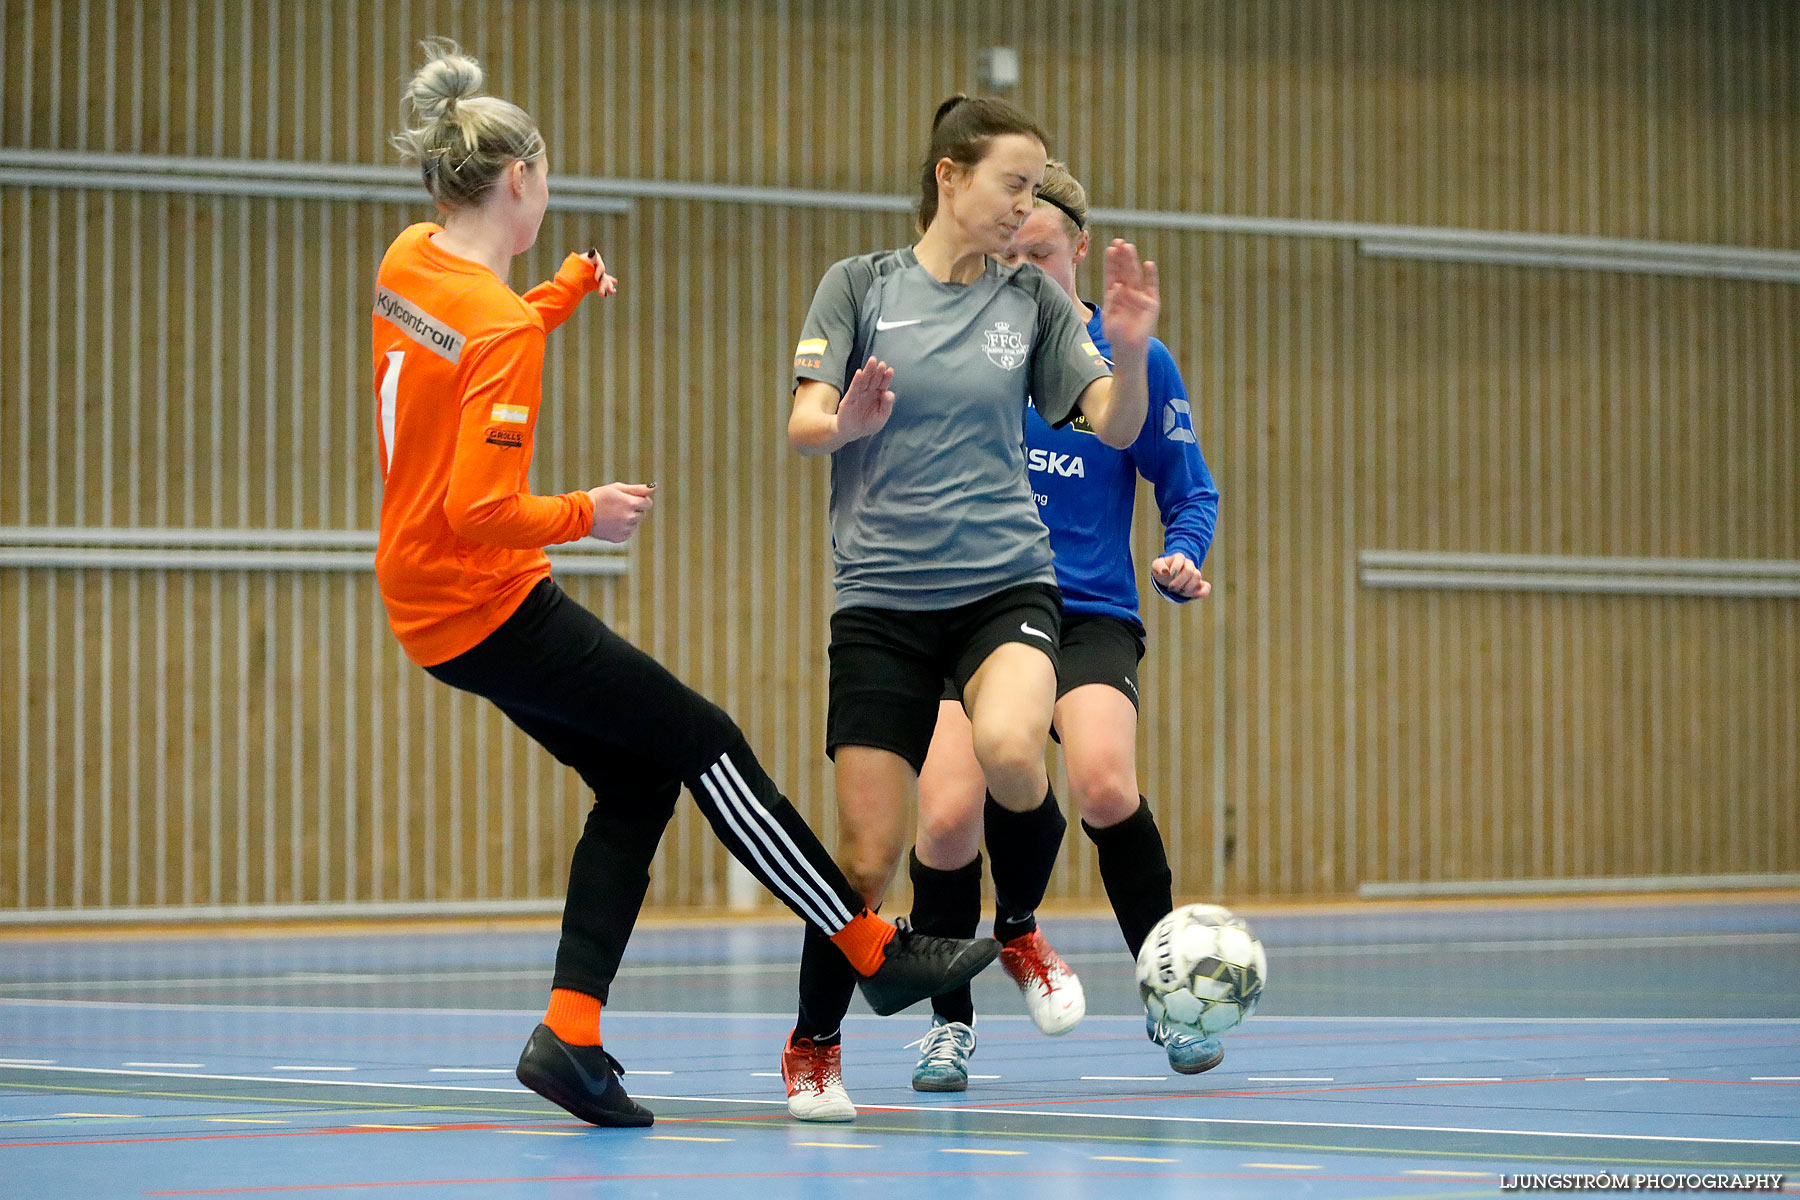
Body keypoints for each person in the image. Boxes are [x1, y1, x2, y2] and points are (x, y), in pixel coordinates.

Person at [372, 39, 998, 1130]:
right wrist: (589, 515)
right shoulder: (502, 327)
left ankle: (570, 1035)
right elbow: (481, 504)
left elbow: (461, 357)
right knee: (707, 742)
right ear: (520, 181)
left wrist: (558, 292)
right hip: (489, 601)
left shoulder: (410, 260)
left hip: (425, 607)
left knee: (637, 781)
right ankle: (871, 949)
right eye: (548, 177)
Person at [782, 95, 1163, 1121]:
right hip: (883, 603)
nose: (1023, 204)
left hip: (1004, 585)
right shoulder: (858, 287)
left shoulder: (1030, 305)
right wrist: (842, 418)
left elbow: (1111, 419)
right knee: (866, 860)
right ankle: (814, 1043)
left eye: (1035, 188)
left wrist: (1125, 350)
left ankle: (1022, 924)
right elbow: (803, 419)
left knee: (1009, 751)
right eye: (1012, 183)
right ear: (951, 177)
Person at [905, 161, 1222, 1093]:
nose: (1024, 269)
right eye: (1010, 253)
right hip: (980, 611)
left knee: (1105, 782)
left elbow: (1186, 485)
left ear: (1080, 252)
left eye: (1041, 252)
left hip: (1087, 614)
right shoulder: (974, 356)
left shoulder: (1127, 361)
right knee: (951, 815)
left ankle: (1171, 997)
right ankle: (951, 1025)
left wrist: (1183, 553)